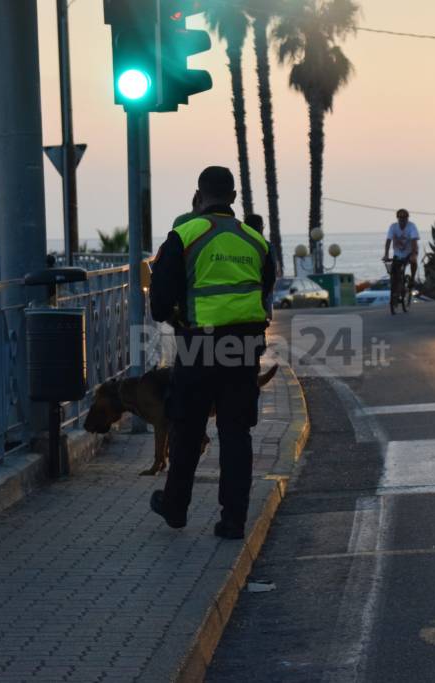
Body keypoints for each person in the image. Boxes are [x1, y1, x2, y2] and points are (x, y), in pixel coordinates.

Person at [148, 166, 276, 540]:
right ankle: (233, 521)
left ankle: (175, 508)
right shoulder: (255, 240)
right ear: (234, 198)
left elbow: (158, 305)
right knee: (237, 432)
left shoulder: (184, 236)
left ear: (200, 196)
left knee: (187, 428)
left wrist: (179, 314)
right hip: (245, 348)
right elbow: (266, 291)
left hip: (199, 346)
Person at [384, 208, 420, 284]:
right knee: (394, 273)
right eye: (400, 218)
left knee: (413, 261)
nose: (402, 220)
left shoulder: (411, 226)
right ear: (398, 218)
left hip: (410, 251)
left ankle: (412, 279)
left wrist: (413, 254)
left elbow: (414, 241)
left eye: (404, 218)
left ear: (407, 218)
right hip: (398, 253)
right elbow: (388, 241)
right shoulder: (393, 227)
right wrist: (386, 254)